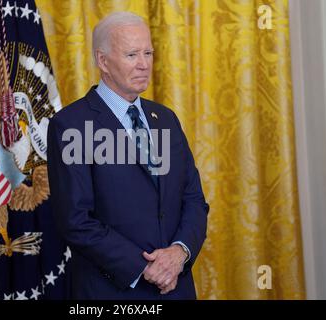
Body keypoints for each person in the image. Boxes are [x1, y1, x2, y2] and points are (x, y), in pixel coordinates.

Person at [47, 11, 209, 300]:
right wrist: (145, 268)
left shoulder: (166, 119)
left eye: (148, 53)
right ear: (103, 61)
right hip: (112, 292)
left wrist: (179, 253)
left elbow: (193, 199)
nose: (144, 64)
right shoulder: (71, 125)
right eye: (132, 54)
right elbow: (76, 220)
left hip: (177, 287)